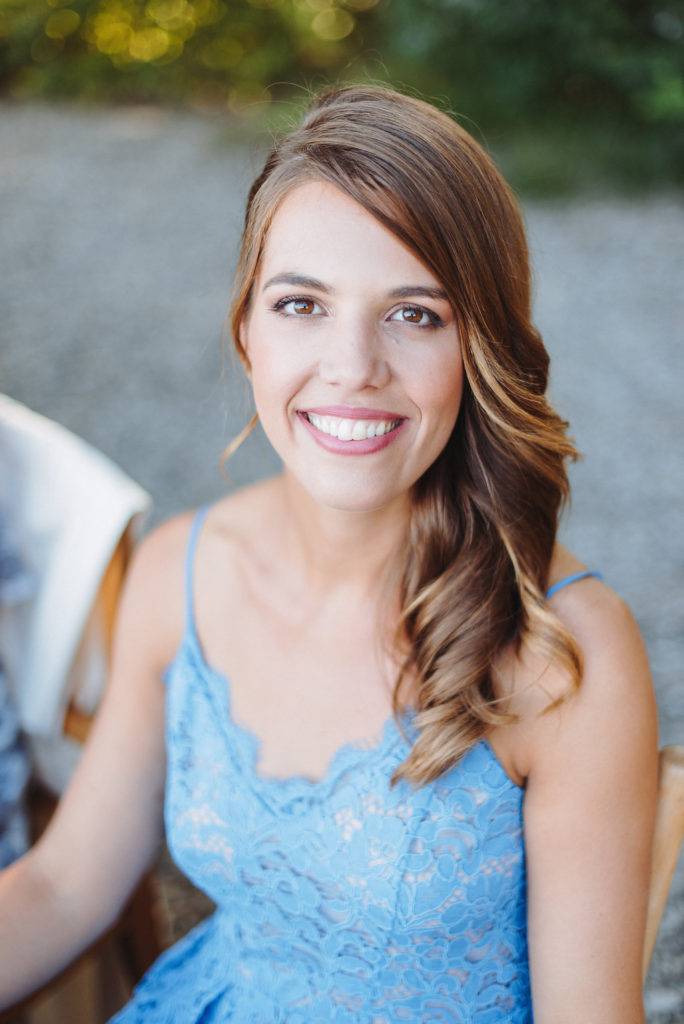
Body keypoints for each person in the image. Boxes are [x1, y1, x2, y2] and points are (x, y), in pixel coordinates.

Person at [0, 82, 659, 1023]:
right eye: (301, 304)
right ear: (246, 332)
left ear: (479, 349)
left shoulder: (564, 652)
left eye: (414, 314)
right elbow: (66, 886)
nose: (353, 366)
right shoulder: (182, 570)